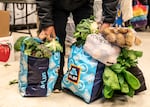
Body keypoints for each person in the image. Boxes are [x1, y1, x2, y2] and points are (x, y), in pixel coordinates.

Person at [36, 0, 119, 92]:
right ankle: (55, 77)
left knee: (88, 40)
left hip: (83, 3)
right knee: (55, 40)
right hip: (55, 4)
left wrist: (108, 20)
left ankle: (86, 79)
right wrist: (47, 22)